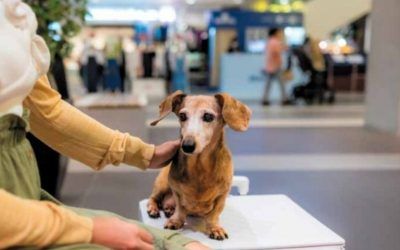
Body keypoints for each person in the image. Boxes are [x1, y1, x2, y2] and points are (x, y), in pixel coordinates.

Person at [0, 1, 207, 249]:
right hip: (14, 217)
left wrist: (143, 153)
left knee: (183, 244)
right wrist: (88, 229)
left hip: (24, 198)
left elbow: (46, 111)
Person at [262, 28, 290, 105]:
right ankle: (285, 99)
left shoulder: (269, 41)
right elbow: (276, 53)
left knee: (268, 84)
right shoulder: (275, 42)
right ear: (275, 33)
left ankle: (265, 99)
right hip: (275, 66)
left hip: (269, 66)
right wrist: (279, 63)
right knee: (281, 83)